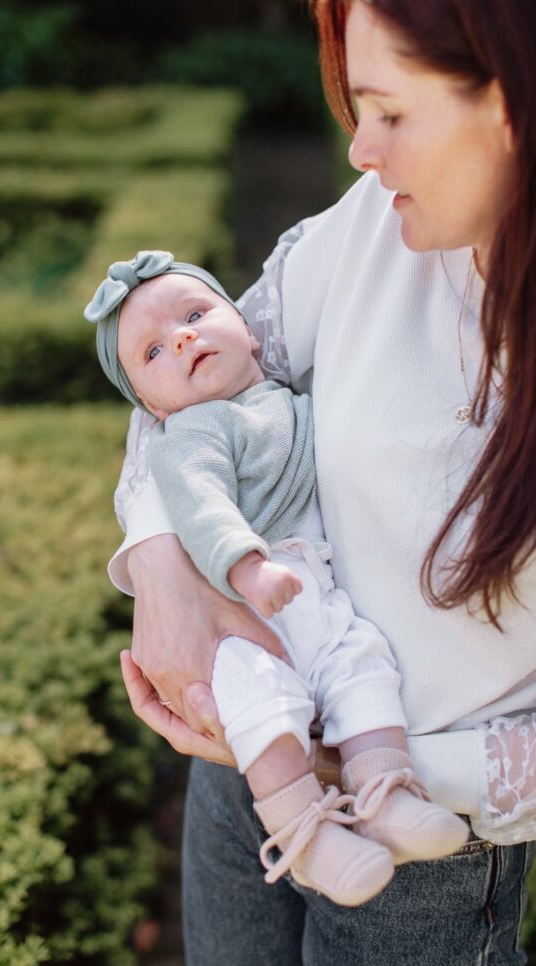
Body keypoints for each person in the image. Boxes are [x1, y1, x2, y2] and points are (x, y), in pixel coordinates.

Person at [108, 1, 536, 966]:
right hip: (246, 775)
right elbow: (187, 390)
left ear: (513, 107)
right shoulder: (377, 223)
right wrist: (163, 572)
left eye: (387, 111)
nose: (359, 149)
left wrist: (386, 763)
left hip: (430, 855)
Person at [84, 252, 469, 906]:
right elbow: (200, 503)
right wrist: (246, 566)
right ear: (151, 408)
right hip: (242, 609)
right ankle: (305, 836)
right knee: (265, 708)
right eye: (153, 351)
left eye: (196, 314)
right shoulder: (195, 432)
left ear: (250, 327)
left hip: (316, 594)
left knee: (362, 665)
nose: (182, 337)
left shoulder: (294, 404)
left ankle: (383, 793)